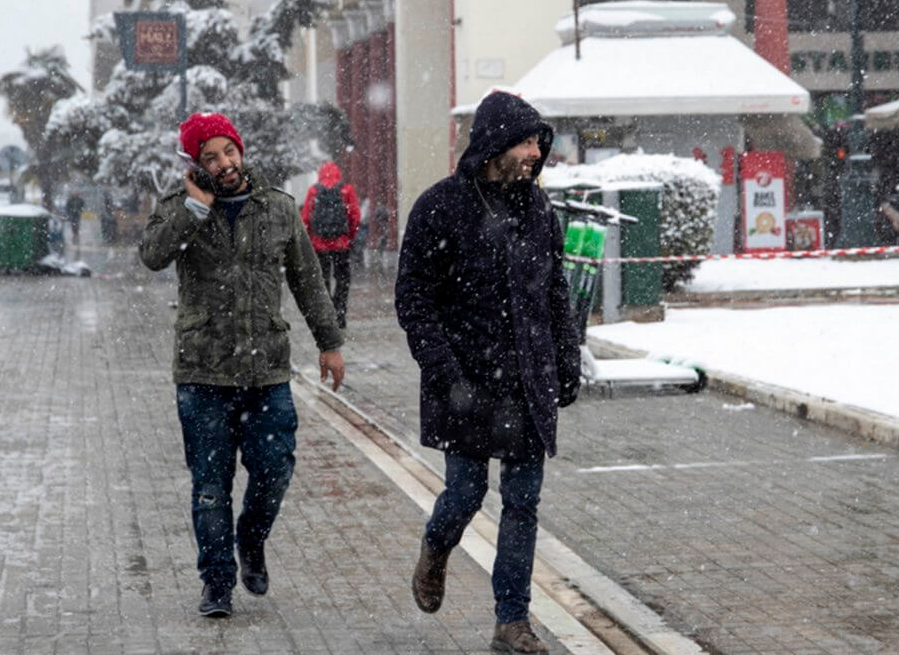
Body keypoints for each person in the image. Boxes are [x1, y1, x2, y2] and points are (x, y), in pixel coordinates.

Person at [139, 112, 346, 619]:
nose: (223, 163)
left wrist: (329, 341)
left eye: (228, 151)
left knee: (275, 470)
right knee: (210, 486)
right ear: (196, 164)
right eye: (210, 157)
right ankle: (216, 582)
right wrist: (194, 208)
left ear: (240, 149)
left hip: (266, 371)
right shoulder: (178, 209)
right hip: (202, 372)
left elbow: (307, 278)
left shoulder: (276, 207)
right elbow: (151, 255)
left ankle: (250, 540)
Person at [395, 91, 580, 654]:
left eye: (537, 143)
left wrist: (566, 359)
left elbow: (554, 291)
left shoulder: (538, 210)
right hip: (467, 383)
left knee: (522, 502)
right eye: (525, 142)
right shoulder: (440, 207)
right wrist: (445, 371)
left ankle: (511, 621)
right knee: (467, 491)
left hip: (527, 380)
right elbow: (414, 298)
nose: (534, 152)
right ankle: (435, 549)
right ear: (496, 143)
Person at [301, 161, 360, 329]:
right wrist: (350, 236)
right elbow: (355, 215)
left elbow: (305, 218)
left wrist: (310, 239)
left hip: (320, 245)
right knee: (343, 279)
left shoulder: (314, 191)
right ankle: (340, 313)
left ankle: (326, 316)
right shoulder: (346, 189)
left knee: (322, 280)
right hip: (342, 244)